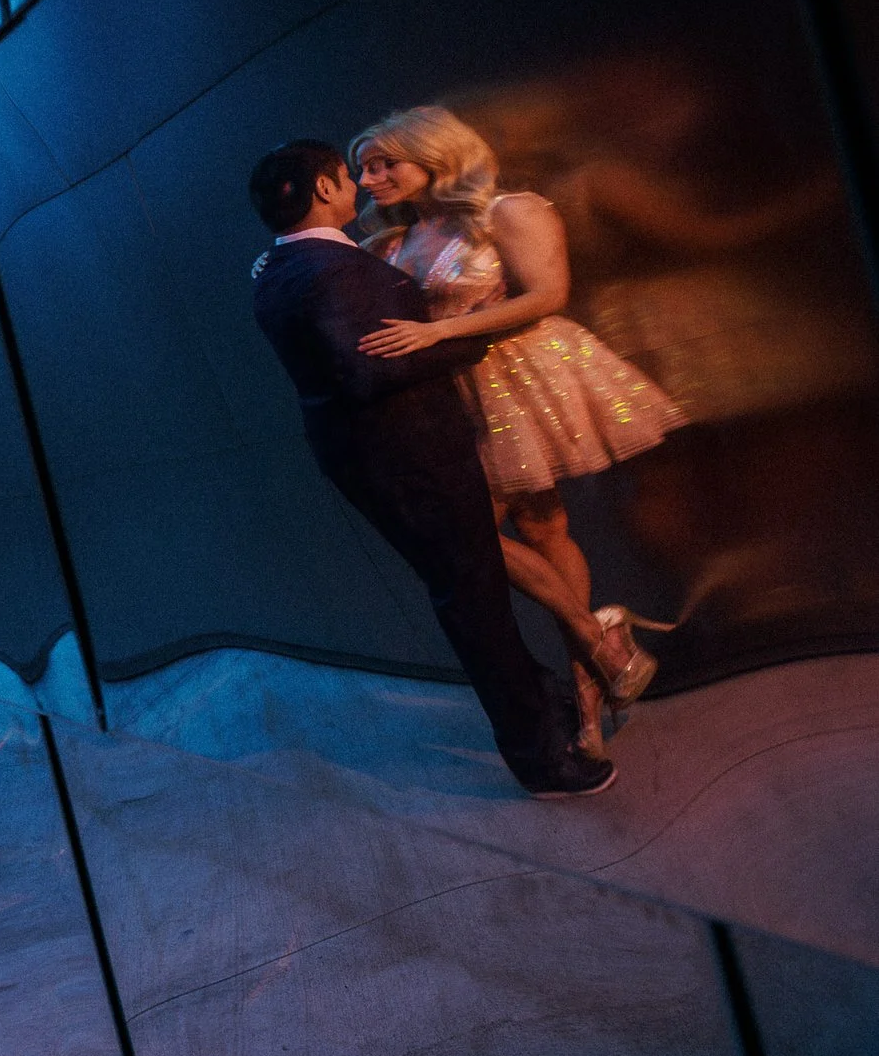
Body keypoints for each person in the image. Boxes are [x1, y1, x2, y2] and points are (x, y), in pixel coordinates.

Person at [247, 140, 611, 796]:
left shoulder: (279, 266)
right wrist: (462, 335)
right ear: (324, 188)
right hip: (409, 454)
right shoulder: (331, 268)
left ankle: (562, 685)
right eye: (351, 173)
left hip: (380, 453)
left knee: (483, 578)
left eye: (383, 165)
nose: (364, 181)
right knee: (475, 601)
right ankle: (543, 754)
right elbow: (368, 367)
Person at [348, 106, 686, 751]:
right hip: (461, 391)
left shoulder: (509, 211)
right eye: (364, 168)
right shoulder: (395, 239)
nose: (370, 180)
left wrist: (441, 329)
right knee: (529, 526)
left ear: (435, 154)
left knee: (489, 524)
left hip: (527, 373)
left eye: (384, 163)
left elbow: (547, 293)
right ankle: (599, 644)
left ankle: (591, 674)